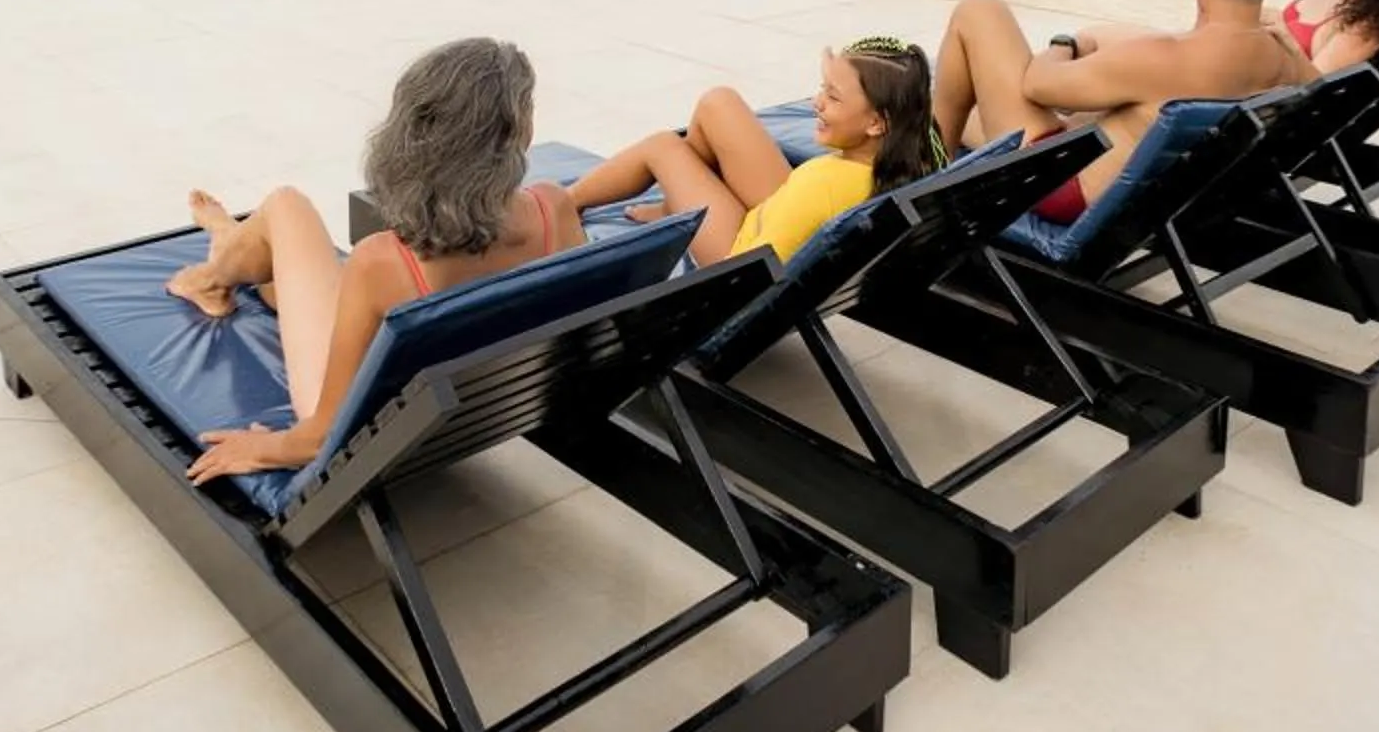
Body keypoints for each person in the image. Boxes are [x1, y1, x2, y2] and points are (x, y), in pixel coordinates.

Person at [165, 38, 579, 483]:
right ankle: (233, 241)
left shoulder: (384, 261)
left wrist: (263, 449)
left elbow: (321, 437)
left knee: (286, 205)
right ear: (522, 132)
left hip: (377, 416)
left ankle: (211, 276)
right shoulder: (553, 210)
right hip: (483, 402)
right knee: (299, 256)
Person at [932, 0, 1306, 224]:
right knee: (969, 105)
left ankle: (922, 181)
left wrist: (1068, 44)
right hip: (1137, 194)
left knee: (979, 11)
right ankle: (925, 159)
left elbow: (1037, 84)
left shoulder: (1165, 57)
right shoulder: (1280, 60)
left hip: (1057, 184)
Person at [561, 36, 938, 266]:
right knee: (718, 103)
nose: (817, 102)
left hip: (737, 251)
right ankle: (678, 199)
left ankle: (567, 201)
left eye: (833, 97)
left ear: (877, 122)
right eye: (821, 87)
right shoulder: (909, 157)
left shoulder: (822, 183)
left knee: (664, 147)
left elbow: (754, 271)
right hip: (783, 211)